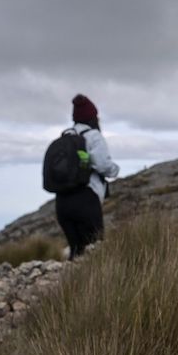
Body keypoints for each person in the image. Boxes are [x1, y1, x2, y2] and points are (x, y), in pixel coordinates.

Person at [55, 94, 119, 259]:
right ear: (92, 117)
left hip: (62, 202)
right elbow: (103, 165)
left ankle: (71, 284)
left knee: (76, 251)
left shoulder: (65, 135)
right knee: (95, 250)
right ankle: (90, 285)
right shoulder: (93, 136)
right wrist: (115, 170)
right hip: (86, 200)